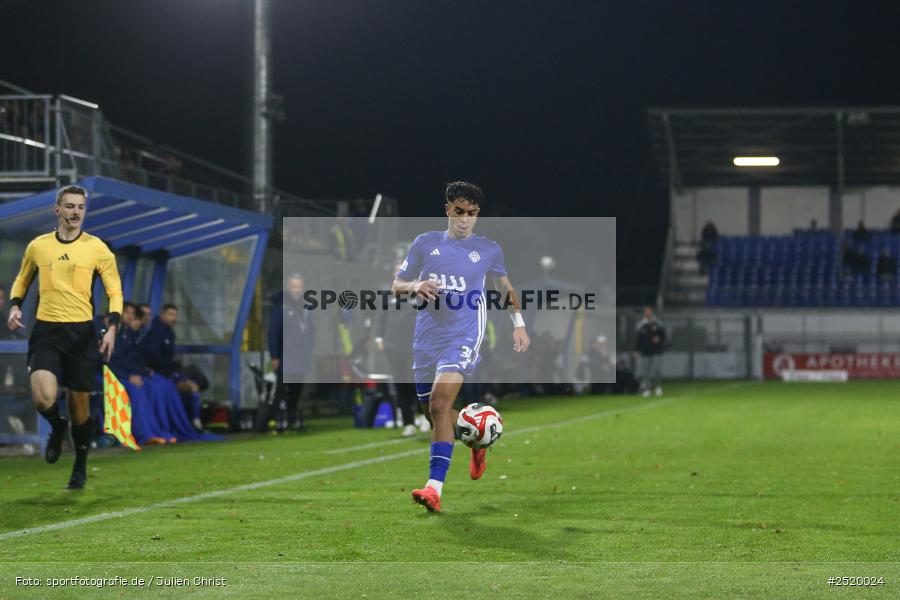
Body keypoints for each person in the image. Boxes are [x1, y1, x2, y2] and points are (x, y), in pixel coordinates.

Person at [392, 181, 530, 513]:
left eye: (472, 213)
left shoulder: (488, 249)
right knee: (434, 414)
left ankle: (434, 488)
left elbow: (504, 287)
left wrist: (519, 323)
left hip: (463, 336)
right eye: (459, 211)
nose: (465, 219)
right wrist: (415, 285)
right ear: (448, 210)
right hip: (426, 339)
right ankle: (477, 440)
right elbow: (396, 285)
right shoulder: (425, 243)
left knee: (440, 404)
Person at [6, 185, 123, 489]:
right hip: (47, 331)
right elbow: (22, 278)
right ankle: (57, 426)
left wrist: (112, 327)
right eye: (70, 206)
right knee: (42, 396)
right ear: (57, 210)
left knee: (79, 408)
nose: (75, 212)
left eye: (81, 207)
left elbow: (114, 291)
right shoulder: (39, 246)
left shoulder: (97, 248)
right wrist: (15, 306)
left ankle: (80, 465)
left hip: (81, 334)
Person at [263, 273, 315, 432]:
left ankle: (291, 420)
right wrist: (274, 356)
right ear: (288, 287)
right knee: (281, 391)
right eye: (294, 286)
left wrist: (309, 350)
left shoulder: (306, 308)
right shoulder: (281, 307)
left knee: (297, 390)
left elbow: (311, 331)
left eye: (299, 286)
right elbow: (273, 333)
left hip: (301, 357)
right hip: (285, 357)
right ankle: (273, 420)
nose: (296, 290)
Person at [141, 303, 204, 431]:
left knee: (194, 384)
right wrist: (169, 371)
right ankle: (190, 424)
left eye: (175, 315)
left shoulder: (169, 332)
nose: (173, 318)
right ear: (162, 315)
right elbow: (155, 358)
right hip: (160, 374)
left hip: (168, 372)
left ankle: (195, 422)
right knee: (190, 386)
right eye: (170, 314)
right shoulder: (155, 332)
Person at [634, 306, 666, 397]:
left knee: (656, 370)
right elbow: (638, 339)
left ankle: (658, 387)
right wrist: (637, 350)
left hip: (657, 351)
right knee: (645, 371)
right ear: (644, 313)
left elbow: (664, 336)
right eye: (646, 312)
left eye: (649, 311)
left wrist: (659, 339)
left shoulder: (658, 323)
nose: (647, 313)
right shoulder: (641, 325)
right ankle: (647, 389)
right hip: (645, 351)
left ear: (652, 312)